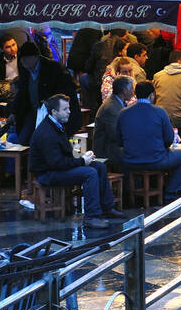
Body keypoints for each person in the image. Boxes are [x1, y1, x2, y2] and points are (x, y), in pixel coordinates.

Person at [29, 93, 122, 227]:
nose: (69, 112)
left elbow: (65, 152)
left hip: (56, 168)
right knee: (89, 173)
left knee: (99, 167)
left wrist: (83, 155)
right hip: (47, 173)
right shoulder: (47, 132)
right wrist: (82, 161)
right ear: (54, 112)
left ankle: (107, 208)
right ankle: (92, 216)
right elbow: (56, 163)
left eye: (69, 108)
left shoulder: (56, 124)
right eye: (65, 109)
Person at [117, 81, 181, 200]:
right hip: (156, 159)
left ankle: (133, 191)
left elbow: (119, 140)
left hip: (130, 160)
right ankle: (171, 191)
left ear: (135, 94)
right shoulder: (160, 112)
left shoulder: (123, 113)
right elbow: (169, 139)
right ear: (152, 95)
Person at [93, 75, 133, 170]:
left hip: (114, 147)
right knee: (137, 157)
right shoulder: (111, 107)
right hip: (108, 151)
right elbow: (115, 135)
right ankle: (131, 184)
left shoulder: (118, 103)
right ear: (124, 91)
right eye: (132, 88)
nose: (133, 91)